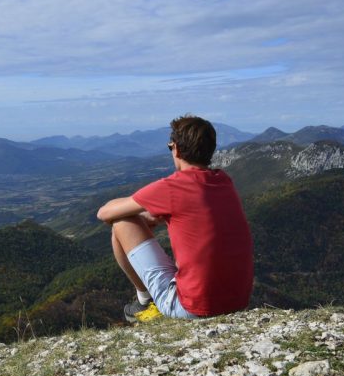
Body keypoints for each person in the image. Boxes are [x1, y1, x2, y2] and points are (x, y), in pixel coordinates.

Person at [96, 115, 253, 322]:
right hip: (237, 302)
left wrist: (140, 215)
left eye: (170, 147)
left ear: (176, 149)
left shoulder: (173, 186)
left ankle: (144, 301)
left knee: (122, 222)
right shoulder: (223, 181)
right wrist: (157, 214)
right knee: (134, 217)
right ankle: (147, 299)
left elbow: (104, 213)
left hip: (191, 308)